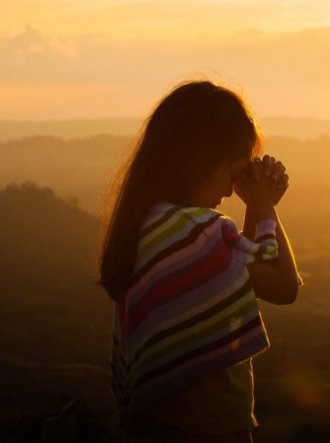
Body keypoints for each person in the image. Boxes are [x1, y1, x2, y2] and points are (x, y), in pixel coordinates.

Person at [98, 80, 303, 442]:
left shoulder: (146, 225)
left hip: (153, 423)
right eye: (234, 173)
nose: (229, 190)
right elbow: (284, 286)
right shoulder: (202, 234)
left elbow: (236, 283)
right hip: (210, 428)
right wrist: (262, 203)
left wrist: (257, 203)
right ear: (201, 161)